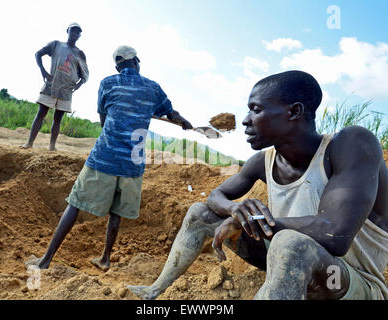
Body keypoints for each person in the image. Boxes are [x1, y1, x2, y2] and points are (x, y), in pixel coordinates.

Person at [127, 70, 388, 300]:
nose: (245, 120)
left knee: (290, 243)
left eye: (256, 109)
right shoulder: (264, 161)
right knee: (200, 213)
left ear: (294, 111)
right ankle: (155, 291)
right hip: (289, 261)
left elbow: (335, 234)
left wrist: (252, 221)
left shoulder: (351, 144)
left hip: (348, 282)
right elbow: (216, 196)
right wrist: (234, 210)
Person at [26, 45, 192, 271]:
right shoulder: (153, 89)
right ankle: (105, 259)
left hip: (105, 156)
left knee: (75, 203)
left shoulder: (108, 83)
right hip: (133, 163)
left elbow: (104, 123)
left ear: (117, 66)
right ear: (137, 61)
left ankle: (45, 261)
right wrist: (185, 123)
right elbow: (171, 114)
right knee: (117, 212)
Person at [22, 22, 89, 151]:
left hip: (66, 90)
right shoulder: (56, 45)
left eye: (77, 32)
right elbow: (38, 54)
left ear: (79, 35)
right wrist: (42, 70)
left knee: (58, 118)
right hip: (51, 84)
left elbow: (85, 73)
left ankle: (52, 146)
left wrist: (79, 84)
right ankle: (29, 143)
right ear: (67, 31)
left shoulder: (80, 54)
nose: (75, 33)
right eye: (73, 30)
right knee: (41, 112)